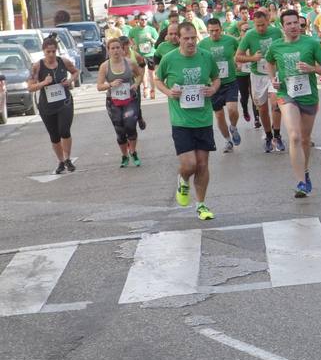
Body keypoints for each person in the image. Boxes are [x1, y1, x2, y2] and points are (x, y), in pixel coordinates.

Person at [154, 21, 220, 221]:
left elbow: (216, 78)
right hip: (181, 120)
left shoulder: (206, 57)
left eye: (193, 38)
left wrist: (213, 89)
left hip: (203, 118)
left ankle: (201, 205)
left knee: (202, 164)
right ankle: (183, 179)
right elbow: (157, 79)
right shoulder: (169, 58)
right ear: (179, 39)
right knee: (189, 165)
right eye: (186, 38)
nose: (190, 42)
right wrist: (169, 92)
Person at [265, 9, 321, 198]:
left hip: (308, 95)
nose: (294, 27)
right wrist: (273, 79)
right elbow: (269, 62)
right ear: (282, 27)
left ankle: (305, 170)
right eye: (289, 24)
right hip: (286, 94)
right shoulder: (276, 46)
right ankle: (301, 181)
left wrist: (312, 68)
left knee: (304, 139)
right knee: (293, 136)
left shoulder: (311, 43)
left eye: (296, 23)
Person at [235, 10, 285, 153]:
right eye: (257, 25)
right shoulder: (250, 35)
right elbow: (237, 57)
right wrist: (252, 59)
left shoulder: (276, 32)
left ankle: (277, 135)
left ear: (268, 21)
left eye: (263, 25)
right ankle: (268, 136)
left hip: (274, 73)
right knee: (262, 109)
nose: (260, 28)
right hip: (257, 76)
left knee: (276, 104)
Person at [27, 36, 78, 174]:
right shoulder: (37, 66)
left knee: (64, 130)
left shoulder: (64, 61)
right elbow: (30, 87)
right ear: (43, 51)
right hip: (47, 106)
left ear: (57, 51)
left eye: (53, 51)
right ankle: (61, 161)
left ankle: (68, 159)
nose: (51, 54)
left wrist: (70, 81)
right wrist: (44, 83)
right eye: (48, 51)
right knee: (54, 135)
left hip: (65, 102)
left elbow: (75, 72)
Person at [97, 37, 143, 167]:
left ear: (122, 49)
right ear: (108, 50)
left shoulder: (130, 63)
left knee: (130, 124)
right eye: (113, 48)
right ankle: (124, 155)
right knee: (120, 130)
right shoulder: (105, 66)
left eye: (118, 47)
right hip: (113, 102)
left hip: (130, 99)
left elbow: (139, 74)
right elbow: (99, 86)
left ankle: (133, 151)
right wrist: (110, 84)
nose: (116, 50)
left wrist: (136, 84)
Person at [201, 18, 243, 154]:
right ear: (208, 31)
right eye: (211, 31)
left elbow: (240, 51)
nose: (214, 33)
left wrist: (239, 62)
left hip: (230, 81)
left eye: (216, 30)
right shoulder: (202, 44)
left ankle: (233, 127)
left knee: (232, 110)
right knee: (219, 115)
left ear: (221, 29)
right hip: (213, 85)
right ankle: (227, 140)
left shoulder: (230, 40)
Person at [126, 13, 159, 99]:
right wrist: (133, 44)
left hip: (151, 53)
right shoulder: (134, 30)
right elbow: (129, 38)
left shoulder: (151, 29)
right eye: (142, 19)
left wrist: (150, 39)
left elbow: (157, 42)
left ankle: (152, 90)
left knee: (152, 73)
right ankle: (145, 88)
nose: (144, 21)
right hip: (140, 54)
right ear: (138, 20)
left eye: (145, 19)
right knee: (142, 72)